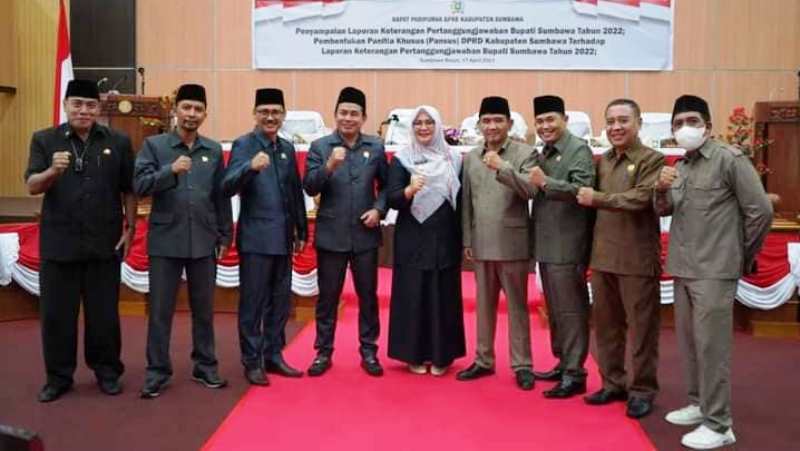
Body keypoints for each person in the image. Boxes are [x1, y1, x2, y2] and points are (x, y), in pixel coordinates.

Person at [655, 95, 772, 449]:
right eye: (678, 124)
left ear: (707, 125)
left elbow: (761, 211)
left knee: (712, 348)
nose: (685, 128)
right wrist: (660, 189)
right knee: (690, 344)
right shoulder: (681, 166)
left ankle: (720, 425)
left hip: (715, 270)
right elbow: (664, 210)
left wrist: (739, 254)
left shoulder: (728, 159)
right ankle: (699, 403)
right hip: (684, 267)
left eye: (692, 121)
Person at [25, 79, 136, 402]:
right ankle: (58, 377)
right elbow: (32, 185)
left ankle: (107, 372)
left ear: (98, 108)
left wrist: (130, 226)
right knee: (57, 316)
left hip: (104, 243)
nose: (83, 111)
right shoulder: (44, 139)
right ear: (65, 105)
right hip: (59, 244)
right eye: (77, 104)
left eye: (90, 105)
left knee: (104, 316)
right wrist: (52, 171)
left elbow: (129, 188)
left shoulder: (117, 141)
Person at [134, 83, 233, 398]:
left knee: (204, 310)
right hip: (166, 239)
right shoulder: (154, 146)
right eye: (186, 107)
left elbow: (220, 196)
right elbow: (139, 186)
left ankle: (205, 366)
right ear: (176, 110)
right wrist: (170, 171)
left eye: (198, 109)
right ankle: (157, 371)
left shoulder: (213, 150)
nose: (192, 114)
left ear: (205, 114)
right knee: (160, 311)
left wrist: (225, 234)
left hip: (204, 239)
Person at [576, 98, 664, 418]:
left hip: (637, 259)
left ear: (638, 123)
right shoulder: (603, 161)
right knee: (606, 327)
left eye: (623, 120)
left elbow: (641, 198)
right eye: (610, 121)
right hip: (603, 258)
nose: (616, 127)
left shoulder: (652, 159)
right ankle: (613, 382)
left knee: (642, 330)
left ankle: (642, 389)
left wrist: (598, 198)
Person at [223, 88, 307, 386]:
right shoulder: (244, 145)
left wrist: (301, 229)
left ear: (283, 115)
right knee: (253, 304)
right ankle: (251, 360)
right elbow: (227, 186)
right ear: (255, 114)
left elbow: (295, 191)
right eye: (264, 112)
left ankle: (273, 354)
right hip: (256, 239)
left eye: (276, 112)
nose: (270, 117)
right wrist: (249, 167)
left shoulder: (286, 147)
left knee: (280, 303)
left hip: (283, 238)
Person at [303, 86, 388, 377]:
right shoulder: (320, 146)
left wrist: (378, 209)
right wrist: (329, 165)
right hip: (331, 234)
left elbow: (386, 186)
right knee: (328, 298)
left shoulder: (375, 146)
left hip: (365, 235)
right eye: (343, 113)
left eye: (354, 114)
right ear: (335, 115)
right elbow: (309, 186)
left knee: (368, 297)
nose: (348, 118)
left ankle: (369, 351)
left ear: (363, 118)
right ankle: (323, 352)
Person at [456, 96, 536, 391]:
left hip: (513, 242)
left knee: (517, 307)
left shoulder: (525, 153)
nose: (492, 126)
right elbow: (467, 202)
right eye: (486, 121)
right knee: (483, 306)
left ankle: (522, 364)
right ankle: (483, 359)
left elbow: (531, 191)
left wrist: (503, 167)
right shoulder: (471, 157)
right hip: (481, 242)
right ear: (479, 125)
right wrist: (467, 238)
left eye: (498, 120)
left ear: (509, 123)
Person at [386, 105, 466, 376]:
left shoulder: (454, 158)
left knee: (444, 295)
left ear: (438, 125)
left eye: (429, 122)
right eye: (418, 123)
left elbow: (461, 200)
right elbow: (392, 198)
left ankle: (443, 356)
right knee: (413, 294)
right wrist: (409, 191)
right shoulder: (402, 159)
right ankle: (414, 354)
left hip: (445, 234)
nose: (423, 127)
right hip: (413, 236)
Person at [528, 95, 595, 399]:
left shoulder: (578, 149)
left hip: (567, 243)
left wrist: (546, 182)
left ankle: (575, 373)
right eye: (540, 121)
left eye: (550, 119)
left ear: (565, 120)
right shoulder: (545, 151)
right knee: (555, 309)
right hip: (547, 243)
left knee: (571, 310)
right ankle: (563, 362)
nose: (545, 126)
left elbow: (583, 190)